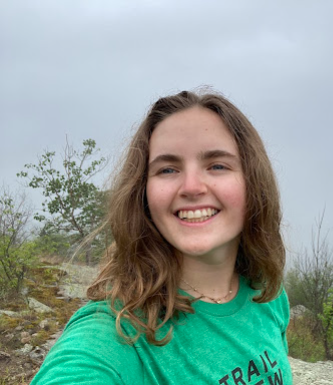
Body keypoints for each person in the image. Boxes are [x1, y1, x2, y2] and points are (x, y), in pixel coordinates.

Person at [31, 90, 292, 385]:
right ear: (143, 194)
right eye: (167, 169)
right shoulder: (116, 334)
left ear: (252, 182)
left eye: (217, 165)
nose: (191, 187)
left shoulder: (267, 291)